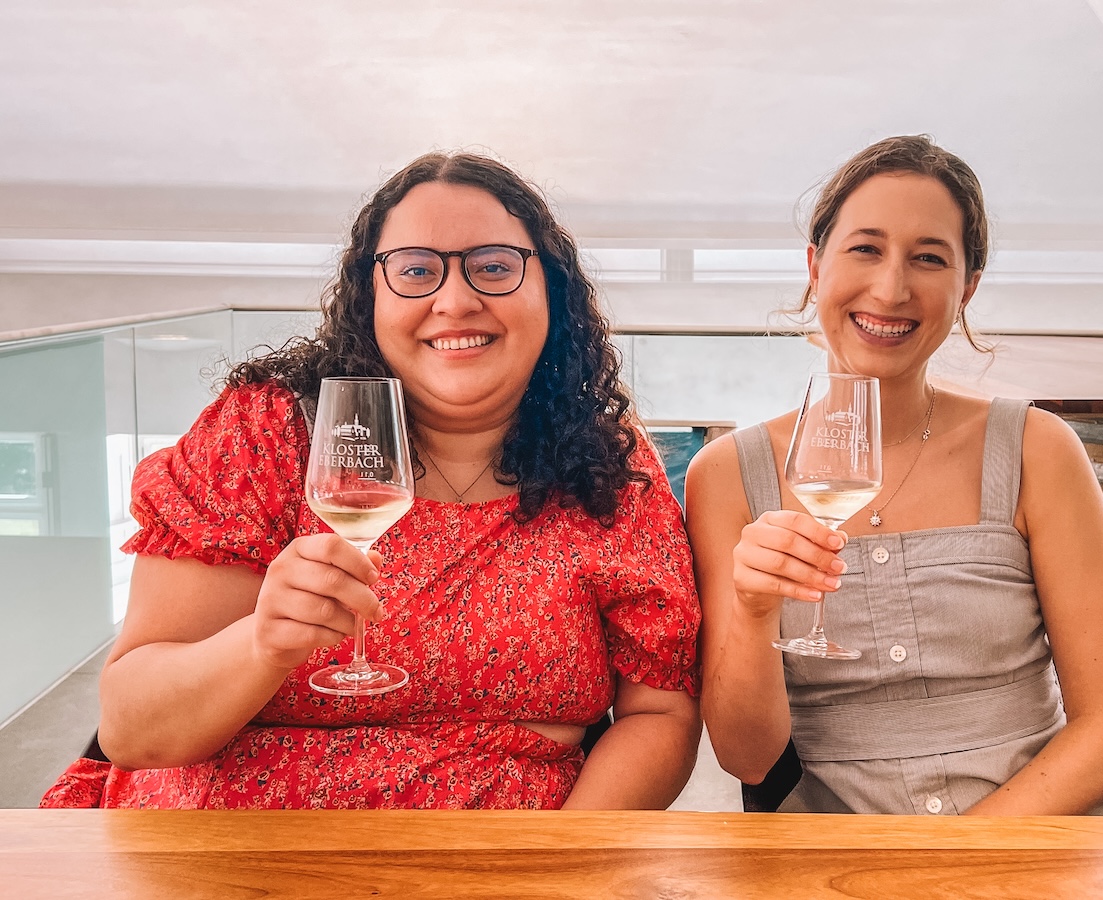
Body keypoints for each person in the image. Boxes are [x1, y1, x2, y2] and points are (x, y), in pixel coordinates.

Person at [42, 152, 701, 810]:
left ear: (551, 292)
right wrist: (262, 644)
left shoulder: (611, 468)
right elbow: (133, 729)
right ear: (372, 296)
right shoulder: (266, 433)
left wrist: (556, 868)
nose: (455, 300)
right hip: (227, 858)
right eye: (416, 270)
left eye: (494, 267)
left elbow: (659, 714)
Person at [686, 135, 1103, 815]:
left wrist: (950, 864)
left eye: (928, 258)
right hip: (848, 857)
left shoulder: (1037, 450)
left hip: (1045, 839)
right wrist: (754, 613)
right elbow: (747, 758)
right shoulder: (727, 476)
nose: (892, 287)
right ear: (816, 267)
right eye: (865, 248)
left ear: (967, 287)